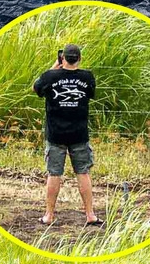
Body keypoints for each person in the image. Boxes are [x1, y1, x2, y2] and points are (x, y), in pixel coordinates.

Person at [33, 44, 102, 226]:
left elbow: (36, 87)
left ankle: (49, 215)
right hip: (79, 134)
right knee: (83, 173)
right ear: (79, 58)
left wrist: (55, 66)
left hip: (56, 135)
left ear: (63, 58)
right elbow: (91, 93)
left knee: (54, 173)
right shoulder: (87, 77)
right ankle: (90, 215)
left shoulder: (50, 76)